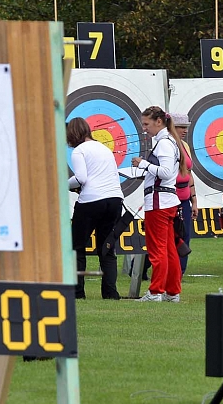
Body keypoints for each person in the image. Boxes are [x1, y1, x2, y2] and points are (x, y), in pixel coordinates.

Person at [131, 106, 185, 302]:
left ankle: (155, 292)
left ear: (159, 122)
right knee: (169, 249)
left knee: (157, 249)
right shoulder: (169, 141)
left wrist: (143, 164)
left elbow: (165, 172)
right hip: (167, 201)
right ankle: (172, 292)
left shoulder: (163, 143)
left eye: (146, 124)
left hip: (159, 202)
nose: (144, 128)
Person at [67, 117, 123, 300]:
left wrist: (63, 184)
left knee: (77, 247)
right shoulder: (104, 148)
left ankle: (77, 293)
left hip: (91, 201)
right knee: (106, 248)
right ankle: (110, 293)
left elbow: (81, 178)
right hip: (115, 200)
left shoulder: (79, 151)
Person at [172, 113, 198, 277]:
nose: (185, 131)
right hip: (169, 199)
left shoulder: (185, 146)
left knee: (185, 236)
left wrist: (194, 200)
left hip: (184, 199)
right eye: (181, 127)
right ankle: (142, 267)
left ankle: (180, 272)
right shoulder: (166, 146)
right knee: (169, 237)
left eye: (186, 127)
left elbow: (188, 174)